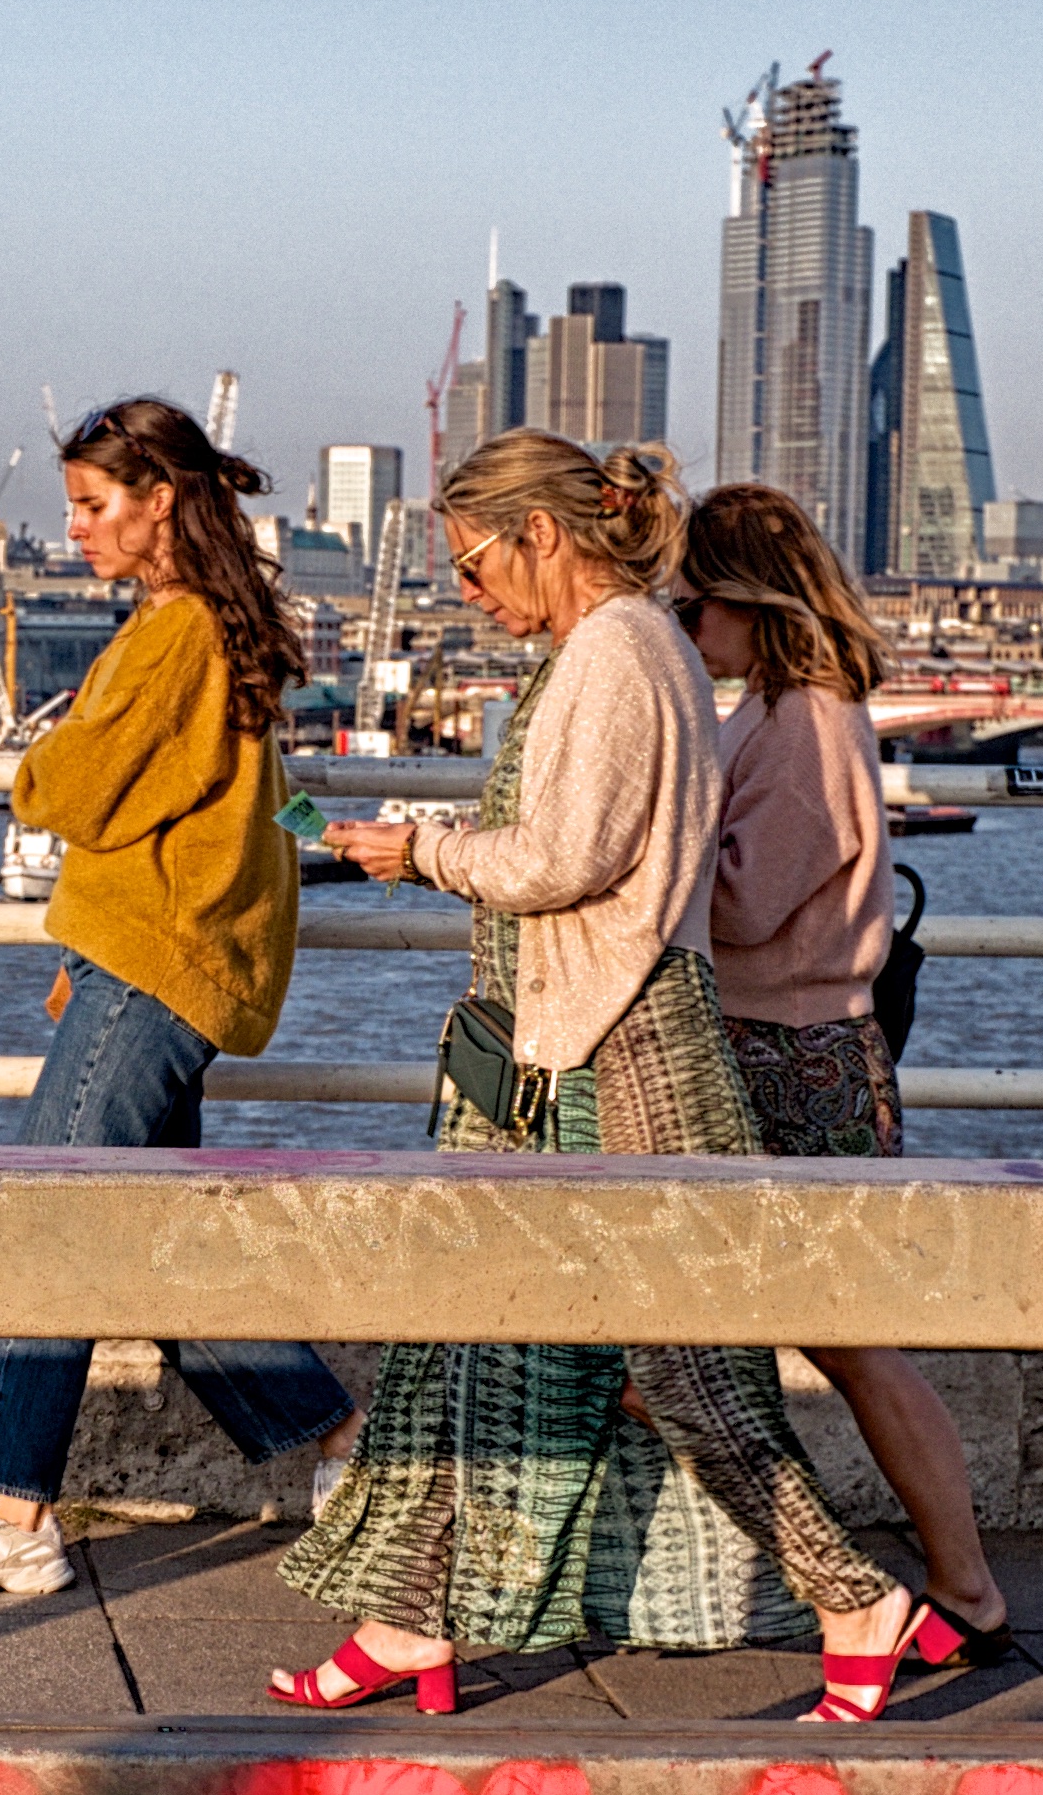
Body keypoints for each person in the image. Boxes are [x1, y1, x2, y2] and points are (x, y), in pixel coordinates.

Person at [278, 432, 940, 1722]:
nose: (466, 591)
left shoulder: (621, 653)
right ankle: (409, 1621)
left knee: (687, 1366)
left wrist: (422, 848)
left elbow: (562, 861)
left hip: (618, 1051)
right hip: (554, 1049)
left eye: (473, 561)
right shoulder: (615, 649)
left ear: (544, 534)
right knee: (456, 1338)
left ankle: (854, 1597)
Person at [0, 395, 357, 1600]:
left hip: (153, 969)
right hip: (166, 962)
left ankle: (12, 1513)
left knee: (40, 1220)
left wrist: (34, 763)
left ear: (160, 502)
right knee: (155, 1246)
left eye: (96, 506)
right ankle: (355, 1454)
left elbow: (76, 794)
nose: (78, 528)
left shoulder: (174, 634)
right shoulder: (212, 626)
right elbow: (244, 801)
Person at [685, 480, 1010, 1660]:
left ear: (747, 603)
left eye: (695, 608)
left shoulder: (801, 723)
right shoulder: (785, 709)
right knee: (834, 1340)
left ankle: (949, 1589)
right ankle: (939, 1586)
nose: (687, 630)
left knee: (843, 1342)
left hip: (794, 1056)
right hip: (801, 1045)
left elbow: (744, 901)